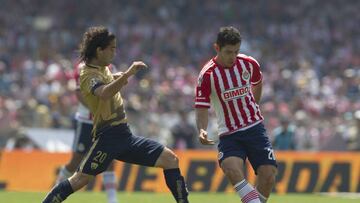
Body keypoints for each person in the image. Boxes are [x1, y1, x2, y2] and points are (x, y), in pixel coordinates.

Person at [42, 26, 189, 203]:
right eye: (111, 48)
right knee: (79, 179)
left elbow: (107, 79)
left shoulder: (102, 68)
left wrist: (118, 76)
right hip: (107, 138)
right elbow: (103, 93)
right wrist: (128, 74)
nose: (114, 52)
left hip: (124, 136)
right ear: (99, 50)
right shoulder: (88, 73)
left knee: (170, 159)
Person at [194, 26, 277, 203]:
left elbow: (257, 82)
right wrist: (201, 129)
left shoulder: (249, 63)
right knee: (231, 168)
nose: (233, 57)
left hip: (254, 128)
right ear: (217, 48)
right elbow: (201, 106)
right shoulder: (207, 75)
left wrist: (254, 103)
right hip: (229, 133)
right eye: (228, 52)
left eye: (236, 51)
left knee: (268, 175)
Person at [55, 62, 118, 203]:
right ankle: (56, 190)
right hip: (86, 122)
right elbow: (79, 93)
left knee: (109, 160)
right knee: (76, 160)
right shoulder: (82, 67)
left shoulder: (110, 67)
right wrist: (97, 109)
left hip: (104, 122)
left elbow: (114, 91)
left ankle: (112, 199)